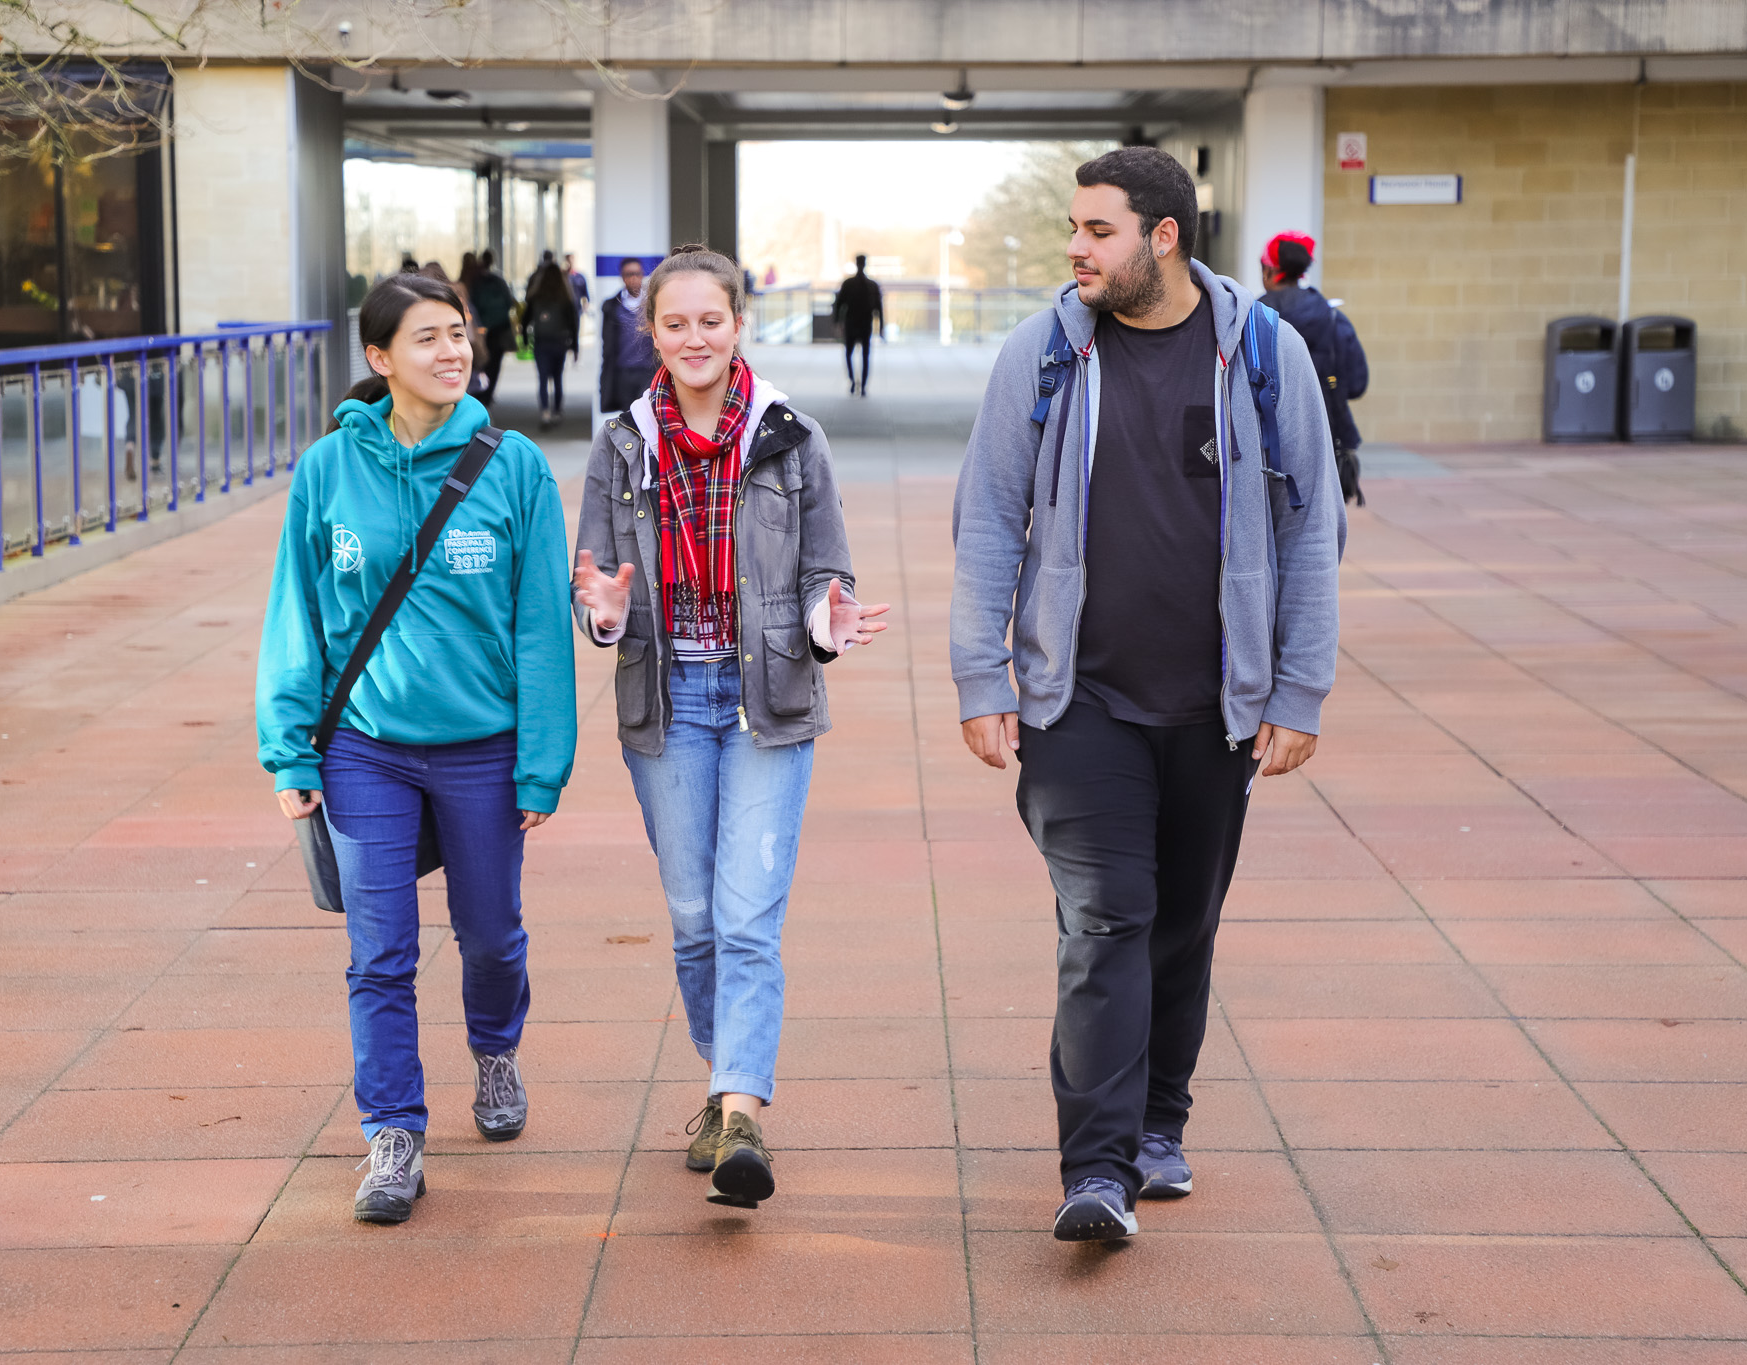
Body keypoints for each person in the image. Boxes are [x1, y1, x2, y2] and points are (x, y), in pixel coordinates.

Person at [951, 147, 1343, 1243]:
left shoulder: (1264, 354)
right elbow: (988, 521)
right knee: (1103, 920)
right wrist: (984, 676)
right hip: (1077, 700)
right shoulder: (1040, 354)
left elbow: (1314, 527)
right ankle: (1097, 1169)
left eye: (1097, 230)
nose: (1076, 248)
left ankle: (1159, 1122)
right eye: (1073, 228)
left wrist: (1298, 688)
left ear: (1161, 237)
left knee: (1181, 924)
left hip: (1216, 702)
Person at [571, 246, 889, 1209]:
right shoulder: (621, 445)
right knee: (695, 917)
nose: (695, 338)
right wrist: (606, 611)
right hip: (667, 704)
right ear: (651, 332)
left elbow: (826, 570)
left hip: (766, 702)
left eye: (712, 321)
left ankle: (739, 1105)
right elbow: (595, 596)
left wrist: (827, 626)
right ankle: (724, 1076)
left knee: (750, 916)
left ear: (740, 324)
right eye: (676, 324)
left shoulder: (791, 438)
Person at [256, 272, 577, 1226]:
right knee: (379, 951)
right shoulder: (327, 469)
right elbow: (297, 614)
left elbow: (540, 626)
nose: (452, 352)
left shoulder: (512, 465)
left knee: (489, 934)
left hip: (484, 748)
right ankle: (392, 1133)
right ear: (379, 358)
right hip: (367, 750)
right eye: (428, 338)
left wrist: (541, 762)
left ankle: (495, 1052)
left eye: (460, 335)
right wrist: (291, 752)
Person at [1259, 233, 1370, 506]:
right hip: (1324, 446)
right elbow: (1356, 384)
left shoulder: (1251, 319)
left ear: (1272, 271)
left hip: (1265, 452)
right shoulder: (1332, 318)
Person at [523, 262, 580, 430]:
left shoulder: (535, 296)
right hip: (559, 342)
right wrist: (575, 346)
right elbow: (573, 324)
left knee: (542, 378)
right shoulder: (565, 297)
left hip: (541, 341)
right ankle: (557, 411)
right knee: (557, 378)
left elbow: (526, 319)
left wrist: (526, 339)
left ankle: (545, 412)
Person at [599, 258, 658, 414]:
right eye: (629, 274)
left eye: (637, 274)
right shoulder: (612, 307)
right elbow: (607, 344)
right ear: (622, 277)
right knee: (627, 416)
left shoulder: (652, 305)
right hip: (623, 372)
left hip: (648, 371)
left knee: (648, 415)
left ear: (643, 275)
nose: (633, 278)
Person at [831, 255, 884, 396]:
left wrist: (837, 321)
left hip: (852, 323)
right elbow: (879, 308)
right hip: (865, 323)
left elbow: (839, 303)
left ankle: (853, 381)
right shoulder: (872, 285)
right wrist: (882, 326)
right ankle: (863, 385)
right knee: (865, 355)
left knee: (849, 354)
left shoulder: (848, 284)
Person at [469, 250, 517, 406]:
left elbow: (473, 306)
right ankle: (488, 395)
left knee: (483, 362)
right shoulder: (499, 281)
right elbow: (510, 302)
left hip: (483, 330)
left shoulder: (476, 283)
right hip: (499, 329)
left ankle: (483, 393)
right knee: (495, 364)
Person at [564, 254, 591, 359]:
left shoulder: (579, 277)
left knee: (575, 331)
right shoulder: (563, 276)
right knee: (565, 332)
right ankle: (566, 352)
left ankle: (576, 354)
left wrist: (585, 304)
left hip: (576, 309)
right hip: (564, 310)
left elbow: (585, 293)